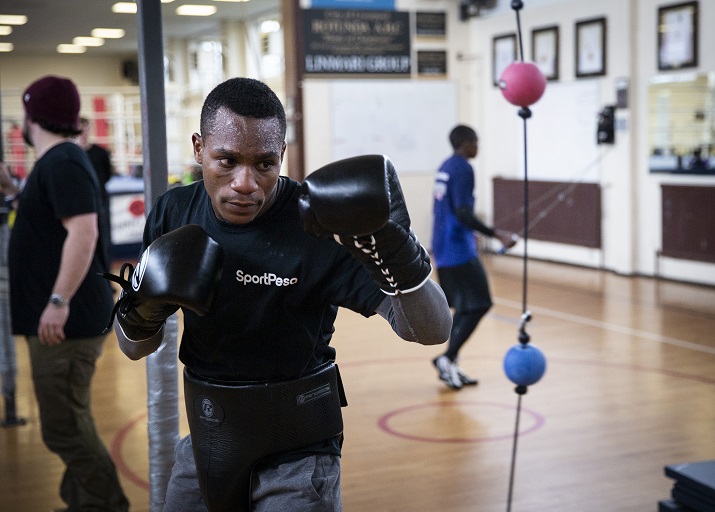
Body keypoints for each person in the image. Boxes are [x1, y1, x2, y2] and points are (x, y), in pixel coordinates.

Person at [104, 76, 452, 512]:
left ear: (282, 156)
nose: (245, 183)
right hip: (209, 434)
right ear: (198, 148)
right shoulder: (175, 212)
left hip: (300, 453)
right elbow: (135, 348)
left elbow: (431, 330)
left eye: (265, 164)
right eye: (226, 161)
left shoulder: (318, 223)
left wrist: (400, 255)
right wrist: (144, 308)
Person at [7, 75, 129, 512]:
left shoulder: (62, 161)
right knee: (72, 419)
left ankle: (107, 504)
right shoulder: (58, 162)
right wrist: (14, 195)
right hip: (66, 318)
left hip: (67, 321)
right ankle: (85, 503)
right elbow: (53, 226)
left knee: (63, 428)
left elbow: (83, 232)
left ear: (32, 115)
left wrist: (57, 303)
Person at [430, 124, 518, 390]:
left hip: (443, 246)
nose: (477, 147)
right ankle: (447, 358)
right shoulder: (464, 168)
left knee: (466, 306)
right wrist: (497, 234)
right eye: (476, 142)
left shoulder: (445, 165)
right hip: (458, 250)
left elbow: (448, 210)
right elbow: (463, 213)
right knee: (480, 304)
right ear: (466, 143)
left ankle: (451, 361)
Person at [78, 116, 114, 273]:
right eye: (80, 129)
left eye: (85, 129)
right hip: (81, 204)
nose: (83, 133)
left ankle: (105, 276)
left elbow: (107, 175)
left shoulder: (100, 153)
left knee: (103, 240)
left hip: (100, 202)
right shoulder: (73, 155)